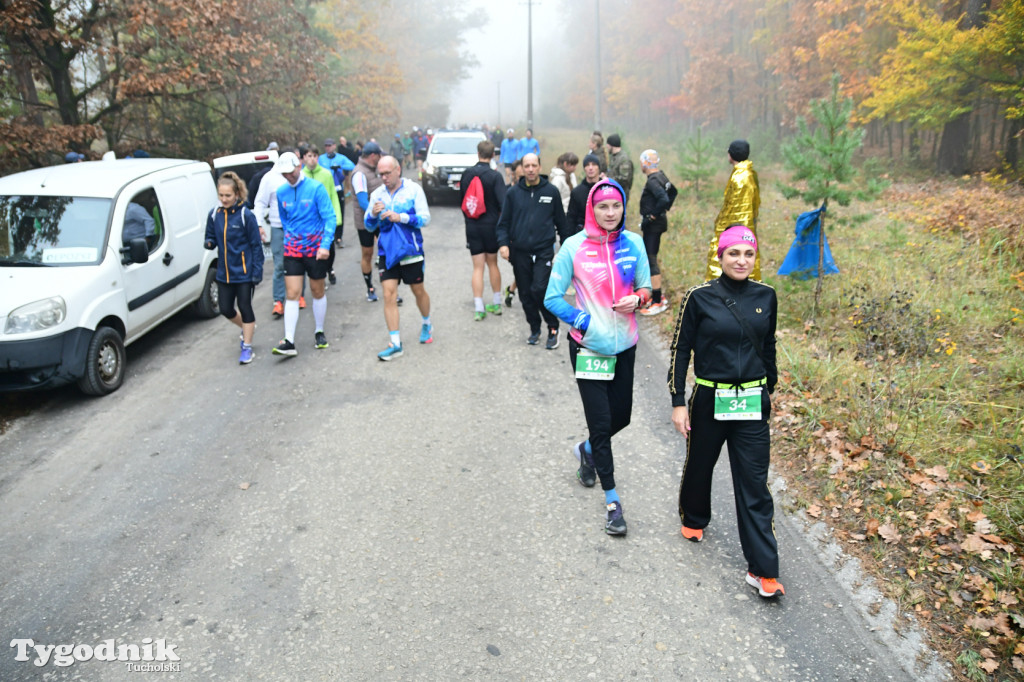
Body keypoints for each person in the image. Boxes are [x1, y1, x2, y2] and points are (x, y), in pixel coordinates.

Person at [668, 225, 783, 598]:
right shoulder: (699, 297)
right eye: (734, 253)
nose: (741, 260)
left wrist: (769, 387)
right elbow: (680, 349)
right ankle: (695, 516)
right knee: (700, 466)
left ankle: (763, 570)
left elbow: (768, 348)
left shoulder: (766, 295)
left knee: (755, 484)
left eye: (748, 254)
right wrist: (678, 401)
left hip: (751, 402)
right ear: (720, 256)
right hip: (709, 400)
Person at [545, 179, 651, 536]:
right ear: (592, 209)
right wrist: (583, 320)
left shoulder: (634, 243)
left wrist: (638, 299)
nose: (610, 213)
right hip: (588, 348)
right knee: (602, 424)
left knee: (622, 417)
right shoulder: (573, 248)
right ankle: (612, 502)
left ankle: (585, 450)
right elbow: (552, 297)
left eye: (616, 206)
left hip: (626, 345)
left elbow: (647, 288)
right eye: (603, 207)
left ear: (624, 208)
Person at [496, 152, 569, 349]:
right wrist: (503, 244)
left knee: (539, 289)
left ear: (539, 167)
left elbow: (562, 223)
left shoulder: (551, 191)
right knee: (525, 294)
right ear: (522, 168)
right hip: (519, 251)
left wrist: (566, 249)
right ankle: (534, 329)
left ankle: (553, 327)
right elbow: (503, 224)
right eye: (526, 166)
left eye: (533, 165)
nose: (530, 169)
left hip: (544, 249)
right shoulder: (513, 194)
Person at [364, 156, 432, 361]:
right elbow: (368, 226)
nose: (384, 178)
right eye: (380, 174)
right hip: (387, 253)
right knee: (388, 294)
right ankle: (395, 343)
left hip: (411, 251)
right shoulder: (377, 195)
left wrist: (400, 217)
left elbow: (425, 218)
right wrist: (373, 216)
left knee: (418, 291)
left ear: (398, 170)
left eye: (387, 173)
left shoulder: (413, 190)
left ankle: (427, 323)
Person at [271, 151, 336, 356]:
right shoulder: (281, 192)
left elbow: (330, 217)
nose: (288, 177)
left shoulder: (316, 188)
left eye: (290, 172)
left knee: (317, 290)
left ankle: (319, 331)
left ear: (298, 167)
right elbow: (284, 218)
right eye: (284, 174)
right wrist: (291, 236)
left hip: (316, 249)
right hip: (293, 249)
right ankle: (289, 340)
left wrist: (325, 244)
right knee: (292, 294)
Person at [203, 171, 264, 364]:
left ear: (237, 194)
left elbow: (256, 245)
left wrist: (257, 271)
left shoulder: (246, 216)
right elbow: (210, 235)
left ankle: (247, 347)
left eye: (228, 195)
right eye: (221, 195)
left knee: (245, 307)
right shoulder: (214, 214)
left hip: (244, 273)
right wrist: (210, 243)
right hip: (224, 273)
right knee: (226, 309)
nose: (224, 199)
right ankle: (247, 327)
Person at [459, 140, 507, 320]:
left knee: (477, 267)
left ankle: (479, 308)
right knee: (492, 264)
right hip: (491, 225)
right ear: (493, 155)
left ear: (477, 153)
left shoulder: (467, 174)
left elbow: (462, 201)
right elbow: (503, 204)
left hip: (473, 225)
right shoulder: (495, 177)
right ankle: (496, 303)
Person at [254, 149, 304, 319]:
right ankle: (278, 300)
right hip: (277, 226)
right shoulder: (269, 178)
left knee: (299, 260)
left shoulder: (300, 176)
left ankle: (300, 295)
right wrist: (259, 224)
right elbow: (260, 202)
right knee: (280, 264)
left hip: (297, 226)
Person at [707, 140, 761, 281]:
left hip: (737, 229)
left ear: (731, 154)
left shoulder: (740, 177)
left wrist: (722, 230)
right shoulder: (749, 173)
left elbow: (733, 208)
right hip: (748, 227)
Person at [636, 149, 676, 316]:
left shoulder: (653, 181)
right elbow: (673, 191)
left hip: (654, 226)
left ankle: (658, 300)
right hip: (656, 224)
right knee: (649, 257)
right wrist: (662, 210)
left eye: (641, 162)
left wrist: (652, 215)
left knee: (651, 260)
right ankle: (657, 296)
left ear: (646, 163)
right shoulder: (661, 176)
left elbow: (664, 198)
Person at [301, 146, 343, 286]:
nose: (311, 159)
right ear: (304, 159)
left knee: (330, 247)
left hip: (326, 217)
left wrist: (337, 216)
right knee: (314, 248)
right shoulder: (301, 176)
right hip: (311, 220)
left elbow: (333, 195)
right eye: (309, 156)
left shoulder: (326, 174)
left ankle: (329, 268)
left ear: (318, 158)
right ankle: (320, 275)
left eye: (314, 156)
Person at [350, 141, 385, 302]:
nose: (381, 158)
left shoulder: (375, 170)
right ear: (373, 156)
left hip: (379, 219)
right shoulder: (359, 174)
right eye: (379, 155)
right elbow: (363, 202)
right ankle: (369, 287)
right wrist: (378, 213)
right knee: (367, 253)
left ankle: (389, 287)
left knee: (386, 250)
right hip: (365, 221)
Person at [320, 138, 355, 250]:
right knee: (325, 213)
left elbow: (352, 166)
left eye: (330, 145)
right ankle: (326, 236)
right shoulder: (321, 159)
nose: (328, 147)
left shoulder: (340, 158)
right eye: (326, 145)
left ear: (334, 146)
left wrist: (340, 167)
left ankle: (338, 237)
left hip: (338, 189)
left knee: (339, 212)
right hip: (324, 191)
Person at [566, 153, 603, 237]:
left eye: (594, 164)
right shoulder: (577, 192)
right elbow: (571, 218)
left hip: (604, 236)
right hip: (582, 235)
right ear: (584, 169)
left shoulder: (606, 189)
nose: (590, 168)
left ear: (599, 168)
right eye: (587, 165)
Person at [606, 134, 634, 199]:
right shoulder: (614, 157)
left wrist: (609, 180)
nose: (607, 147)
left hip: (621, 193)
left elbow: (624, 179)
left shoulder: (624, 159)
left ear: (612, 145)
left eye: (608, 145)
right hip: (613, 191)